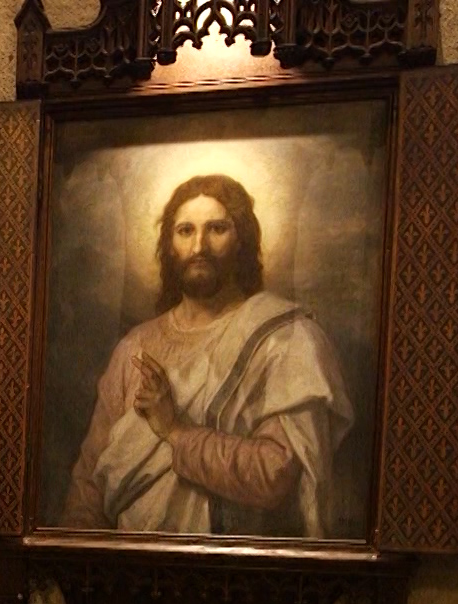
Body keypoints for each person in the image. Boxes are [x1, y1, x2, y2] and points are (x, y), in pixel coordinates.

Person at [58, 173, 356, 538]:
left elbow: (274, 475)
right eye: (185, 231)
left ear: (242, 240)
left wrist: (176, 431)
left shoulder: (285, 339)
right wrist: (77, 550)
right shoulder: (135, 348)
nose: (199, 246)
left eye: (217, 228)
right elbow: (90, 480)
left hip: (236, 575)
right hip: (128, 571)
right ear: (169, 246)